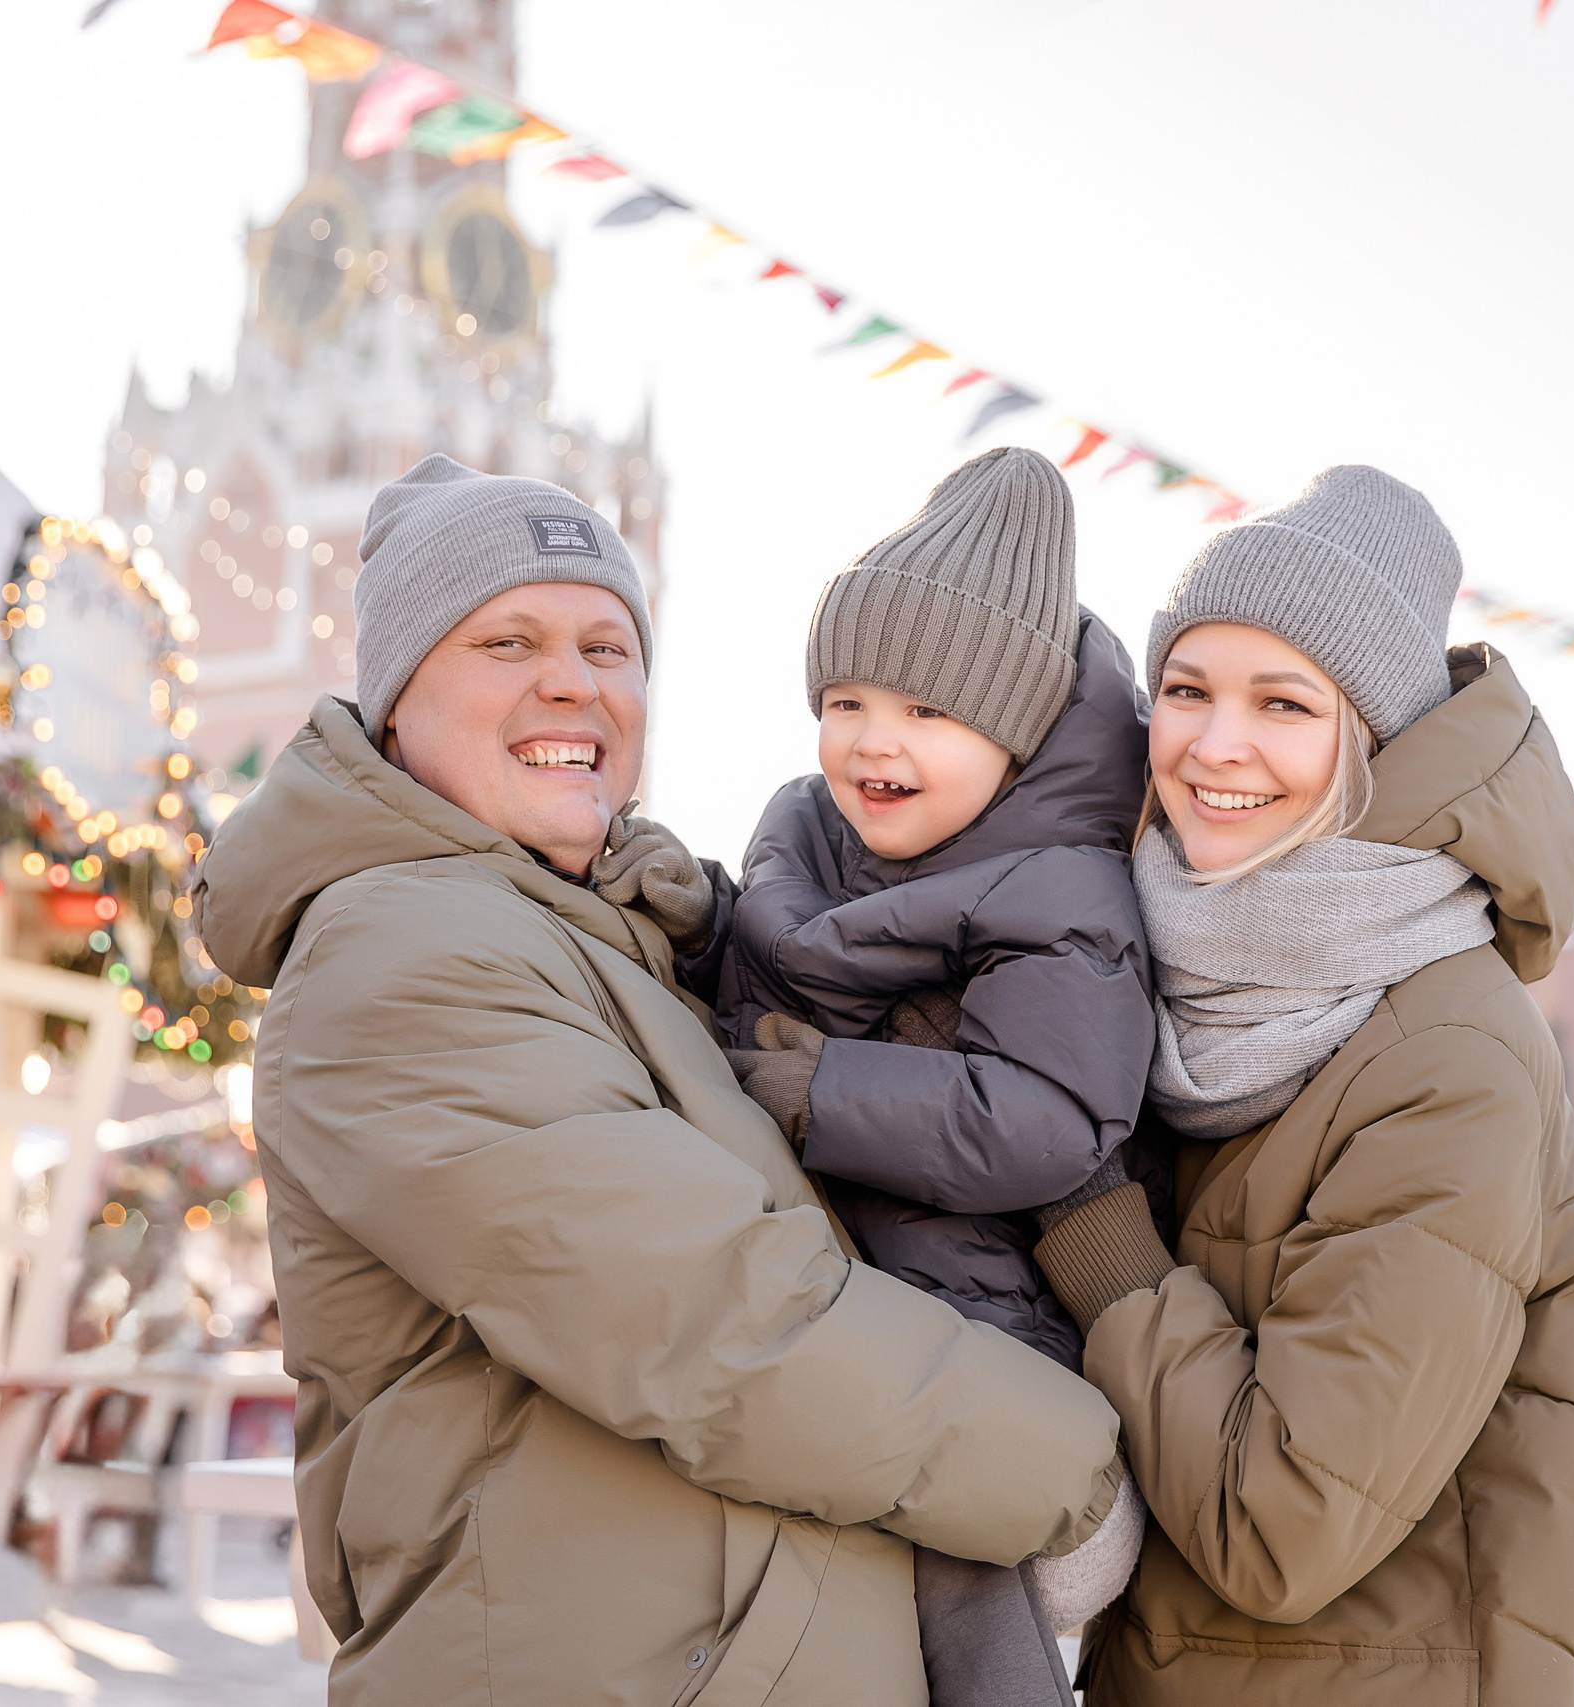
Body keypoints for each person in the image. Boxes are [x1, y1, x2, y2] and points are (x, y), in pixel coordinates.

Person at [191, 454, 1123, 1707]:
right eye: (507, 640)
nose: (571, 680)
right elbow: (721, 1322)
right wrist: (1078, 1465)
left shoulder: (596, 937)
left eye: (607, 645)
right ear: (398, 696)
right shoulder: (402, 954)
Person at [1029, 466, 1574, 1705]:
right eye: (1185, 690)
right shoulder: (1156, 978)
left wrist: (1092, 1233)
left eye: (1283, 703)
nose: (1215, 743)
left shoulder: (1447, 1064)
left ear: (1374, 738)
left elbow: (1282, 1521)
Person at [716, 448, 1152, 1707]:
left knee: (959, 1592)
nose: (873, 741)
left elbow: (1048, 1118)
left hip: (976, 1317)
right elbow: (749, 974)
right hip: (827, 1295)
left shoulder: (1062, 895)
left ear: (1012, 738)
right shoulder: (811, 837)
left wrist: (816, 1098)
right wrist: (689, 913)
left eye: (926, 713)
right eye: (845, 699)